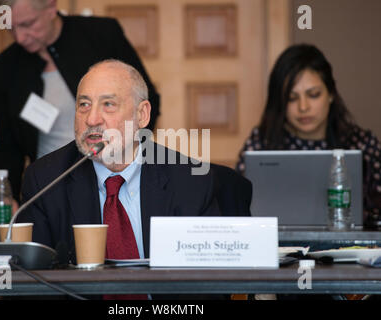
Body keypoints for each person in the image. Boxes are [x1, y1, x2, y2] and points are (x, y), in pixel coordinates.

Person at [17, 59, 252, 267]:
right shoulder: (46, 181)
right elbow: (33, 283)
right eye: (84, 105)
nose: (91, 119)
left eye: (108, 104)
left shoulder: (190, 182)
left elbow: (208, 285)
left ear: (142, 115)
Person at [0, 0, 160, 208]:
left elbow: (145, 100)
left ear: (51, 8)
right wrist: (8, 196)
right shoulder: (4, 68)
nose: (20, 37)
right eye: (11, 27)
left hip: (114, 175)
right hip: (52, 185)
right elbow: (8, 145)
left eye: (27, 24)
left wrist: (125, 160)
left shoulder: (101, 36)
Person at [236, 44, 381, 229]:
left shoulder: (362, 143)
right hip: (279, 251)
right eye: (291, 98)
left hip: (351, 251)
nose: (303, 107)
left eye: (313, 95)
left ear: (331, 94)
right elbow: (238, 207)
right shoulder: (261, 142)